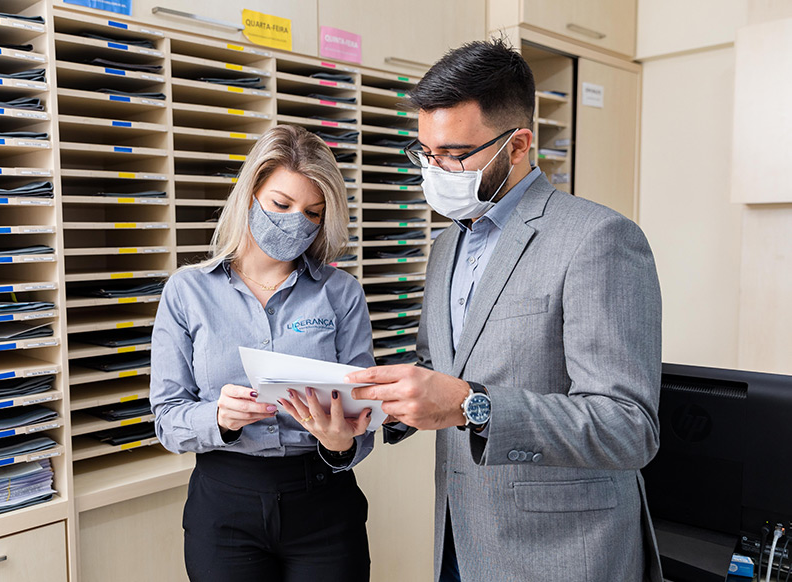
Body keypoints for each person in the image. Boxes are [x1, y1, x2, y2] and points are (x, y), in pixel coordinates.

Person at [347, 39, 663, 582]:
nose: (435, 170)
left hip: (560, 551)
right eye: (425, 153)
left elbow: (629, 427)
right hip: (461, 534)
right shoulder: (446, 246)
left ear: (518, 146)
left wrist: (474, 405)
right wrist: (380, 408)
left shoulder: (599, 238)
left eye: (453, 154)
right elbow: (441, 370)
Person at [150, 124, 375, 582]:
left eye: (313, 212)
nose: (297, 221)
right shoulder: (187, 291)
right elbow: (167, 419)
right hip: (225, 505)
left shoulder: (342, 293)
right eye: (281, 204)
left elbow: (364, 416)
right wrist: (218, 417)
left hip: (324, 501)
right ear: (250, 193)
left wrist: (340, 441)